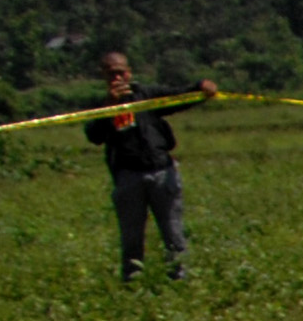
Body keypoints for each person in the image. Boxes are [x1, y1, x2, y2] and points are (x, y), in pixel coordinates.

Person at [81, 48, 214, 281]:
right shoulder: (100, 104)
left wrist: (200, 87)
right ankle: (132, 284)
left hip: (162, 173)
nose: (117, 78)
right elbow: (94, 135)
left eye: (121, 73)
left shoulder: (146, 94)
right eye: (111, 74)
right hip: (128, 178)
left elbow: (177, 97)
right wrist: (110, 106)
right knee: (131, 238)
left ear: (129, 73)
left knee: (173, 233)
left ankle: (179, 281)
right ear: (103, 76)